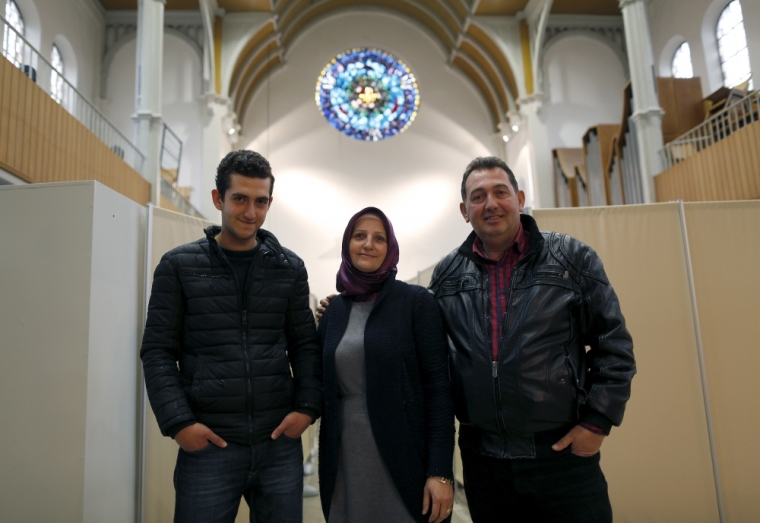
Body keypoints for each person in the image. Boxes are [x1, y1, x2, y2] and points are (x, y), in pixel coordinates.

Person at [428, 156, 636, 522]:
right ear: (464, 210)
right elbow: (425, 351)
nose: (490, 204)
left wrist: (597, 422)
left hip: (561, 456)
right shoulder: (446, 275)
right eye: (478, 196)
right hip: (484, 463)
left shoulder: (571, 258)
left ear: (520, 199)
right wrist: (351, 304)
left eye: (500, 192)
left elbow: (614, 344)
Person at [140, 150, 322, 523]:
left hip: (278, 446)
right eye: (240, 198)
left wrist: (306, 409)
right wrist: (180, 424)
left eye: (261, 201)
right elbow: (157, 350)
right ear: (218, 198)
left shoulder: (289, 267)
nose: (250, 212)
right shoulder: (179, 266)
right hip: (209, 447)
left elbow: (305, 345)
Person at [317, 207, 455, 523]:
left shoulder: (416, 303)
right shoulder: (334, 311)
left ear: (390, 247)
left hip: (403, 453)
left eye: (379, 238)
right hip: (344, 454)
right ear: (346, 243)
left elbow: (439, 392)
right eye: (359, 236)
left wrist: (440, 471)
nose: (369, 244)